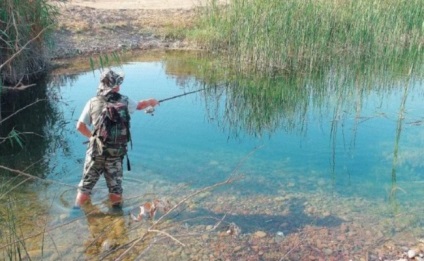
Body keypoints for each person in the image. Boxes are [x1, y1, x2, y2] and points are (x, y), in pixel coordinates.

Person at [74, 69, 159, 208]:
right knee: (115, 189)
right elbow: (140, 106)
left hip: (96, 152)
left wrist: (92, 138)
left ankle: (74, 213)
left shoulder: (92, 102)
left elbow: (80, 126)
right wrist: (152, 101)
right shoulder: (125, 100)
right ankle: (117, 217)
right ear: (117, 86)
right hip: (116, 153)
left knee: (85, 187)